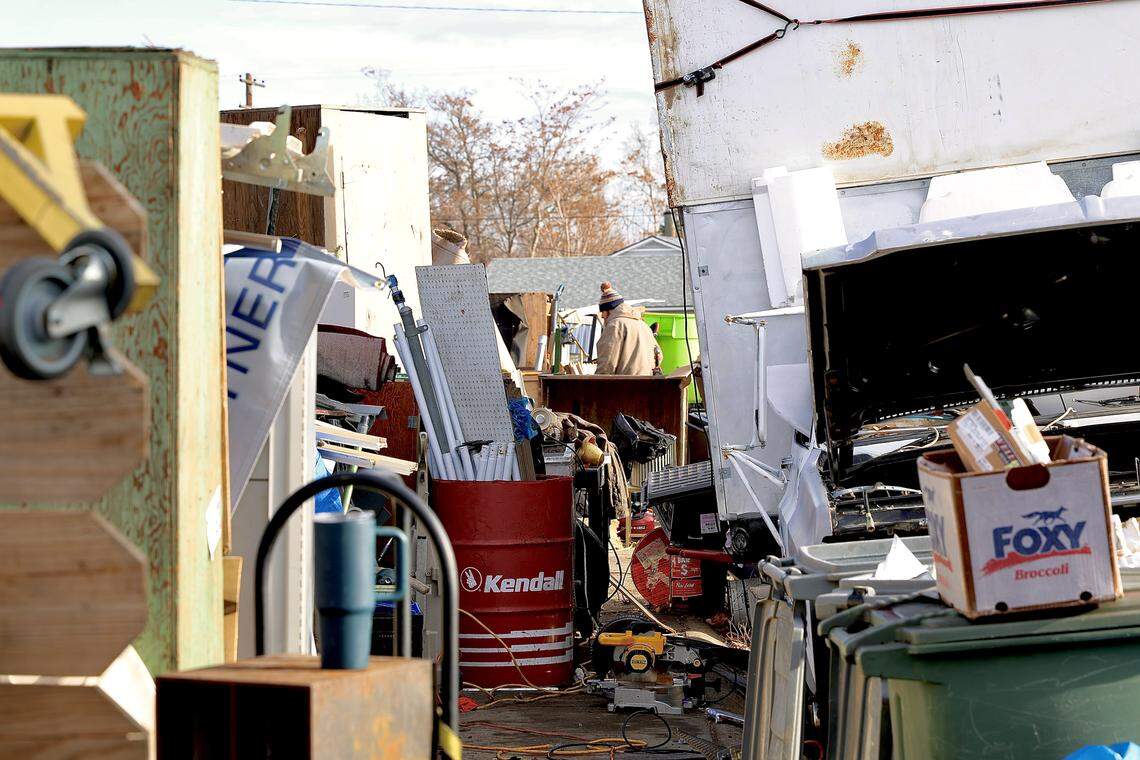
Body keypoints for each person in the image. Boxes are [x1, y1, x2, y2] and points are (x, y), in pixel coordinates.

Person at [594, 282, 659, 376]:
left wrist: (596, 385)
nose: (603, 317)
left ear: (608, 310)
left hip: (625, 386)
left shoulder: (615, 326)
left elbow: (607, 364)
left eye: (602, 313)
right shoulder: (643, 325)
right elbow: (658, 356)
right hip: (647, 384)